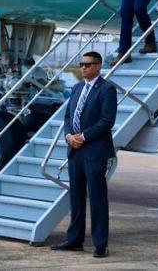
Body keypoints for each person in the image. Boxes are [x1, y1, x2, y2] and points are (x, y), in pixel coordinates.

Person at [51, 51, 117, 258]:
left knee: (97, 198)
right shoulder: (78, 88)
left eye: (88, 65)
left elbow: (107, 121)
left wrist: (84, 136)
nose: (84, 68)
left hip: (94, 150)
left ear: (98, 66)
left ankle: (100, 244)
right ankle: (75, 239)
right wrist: (69, 136)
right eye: (82, 64)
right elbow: (69, 115)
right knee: (76, 197)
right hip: (75, 150)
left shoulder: (107, 89)